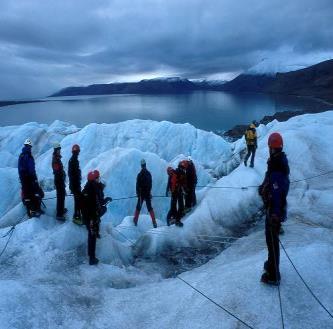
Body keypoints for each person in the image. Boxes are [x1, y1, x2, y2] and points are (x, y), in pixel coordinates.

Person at [259, 132, 290, 285]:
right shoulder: (277, 162)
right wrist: (263, 186)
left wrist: (276, 215)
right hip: (274, 207)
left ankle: (273, 275)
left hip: (274, 210)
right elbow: (272, 183)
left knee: (272, 241)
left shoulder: (277, 166)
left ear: (271, 147)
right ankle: (271, 264)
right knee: (271, 240)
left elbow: (277, 191)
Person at [81, 170, 112, 265]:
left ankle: (95, 230)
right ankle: (92, 258)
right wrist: (92, 219)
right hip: (91, 216)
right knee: (92, 236)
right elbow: (95, 204)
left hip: (88, 215)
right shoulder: (93, 190)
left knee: (93, 231)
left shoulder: (88, 188)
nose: (99, 179)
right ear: (94, 179)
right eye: (97, 177)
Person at [18, 139, 44, 218]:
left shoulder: (21, 156)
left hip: (23, 178)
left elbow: (19, 168)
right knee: (33, 193)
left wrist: (22, 177)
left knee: (26, 195)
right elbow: (31, 168)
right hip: (29, 177)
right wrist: (34, 178)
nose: (30, 148)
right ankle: (35, 210)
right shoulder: (28, 156)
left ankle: (30, 212)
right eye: (30, 146)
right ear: (29, 146)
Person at [133, 159, 157, 228]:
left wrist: (138, 193)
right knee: (149, 207)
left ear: (141, 165)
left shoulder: (139, 174)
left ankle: (135, 221)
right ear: (145, 164)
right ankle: (154, 222)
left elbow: (137, 185)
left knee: (138, 207)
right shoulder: (148, 173)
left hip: (141, 194)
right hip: (147, 193)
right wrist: (149, 193)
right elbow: (150, 184)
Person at [166, 162, 186, 227]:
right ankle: (175, 220)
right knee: (176, 207)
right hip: (177, 192)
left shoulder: (175, 174)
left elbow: (172, 184)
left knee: (174, 207)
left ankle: (173, 219)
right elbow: (172, 184)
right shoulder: (174, 174)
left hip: (177, 192)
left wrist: (170, 192)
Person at [52, 142, 67, 220]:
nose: (59, 150)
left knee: (61, 196)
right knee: (60, 196)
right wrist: (62, 176)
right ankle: (59, 214)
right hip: (59, 181)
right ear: (55, 150)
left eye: (59, 149)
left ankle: (61, 210)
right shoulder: (55, 159)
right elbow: (57, 171)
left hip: (59, 180)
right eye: (58, 149)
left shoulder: (57, 158)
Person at [68, 144, 82, 225]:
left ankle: (77, 216)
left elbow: (71, 174)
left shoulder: (73, 160)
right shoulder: (74, 160)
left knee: (78, 201)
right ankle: (76, 217)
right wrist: (75, 185)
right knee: (77, 201)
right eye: (78, 151)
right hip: (75, 185)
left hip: (75, 184)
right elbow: (73, 174)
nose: (78, 153)